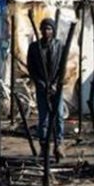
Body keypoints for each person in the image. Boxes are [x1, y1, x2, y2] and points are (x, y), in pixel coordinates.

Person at [27, 17, 65, 159]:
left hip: (56, 86)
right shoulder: (34, 47)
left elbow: (62, 67)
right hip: (41, 86)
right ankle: (44, 146)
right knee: (44, 118)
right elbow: (31, 68)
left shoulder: (59, 46)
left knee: (59, 116)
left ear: (53, 31)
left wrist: (56, 84)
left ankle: (59, 144)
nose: (46, 31)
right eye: (44, 28)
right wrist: (40, 83)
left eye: (49, 28)